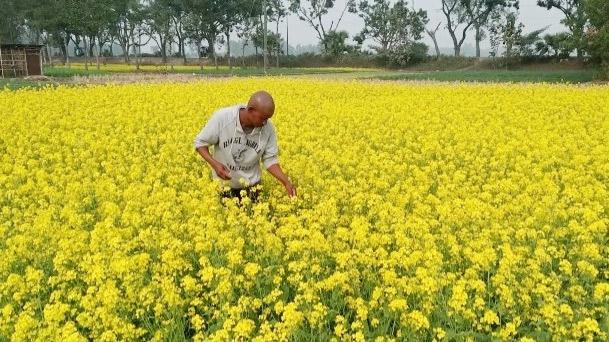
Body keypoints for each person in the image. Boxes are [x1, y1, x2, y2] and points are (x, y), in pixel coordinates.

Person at [194, 90, 296, 203]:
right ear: (251, 110)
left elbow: (270, 160)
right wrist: (215, 164)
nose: (265, 123)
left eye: (268, 119)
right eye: (263, 118)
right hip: (225, 187)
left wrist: (286, 182)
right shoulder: (223, 118)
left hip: (252, 188)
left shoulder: (268, 129)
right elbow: (200, 143)